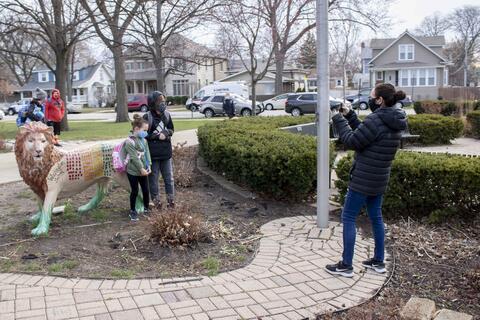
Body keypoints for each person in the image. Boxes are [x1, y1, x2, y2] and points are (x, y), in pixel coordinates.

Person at [325, 83, 407, 278]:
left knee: (348, 217)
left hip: (363, 178)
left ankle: (346, 265)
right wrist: (351, 116)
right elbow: (366, 135)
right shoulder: (396, 119)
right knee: (376, 217)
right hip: (379, 178)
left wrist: (337, 118)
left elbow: (353, 141)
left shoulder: (376, 119)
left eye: (372, 96)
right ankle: (378, 261)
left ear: (379, 100)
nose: (370, 99)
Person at [144, 91, 175, 209]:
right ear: (153, 103)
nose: (162, 103)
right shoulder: (148, 117)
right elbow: (143, 134)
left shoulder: (167, 115)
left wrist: (167, 133)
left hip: (166, 153)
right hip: (153, 155)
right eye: (159, 101)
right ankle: (156, 202)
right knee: (153, 179)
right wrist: (157, 136)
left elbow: (172, 129)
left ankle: (171, 201)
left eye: (163, 100)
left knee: (169, 178)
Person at [125, 114, 152, 221]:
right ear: (136, 129)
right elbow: (134, 158)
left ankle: (146, 208)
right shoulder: (129, 142)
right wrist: (141, 169)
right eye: (144, 130)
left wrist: (148, 165)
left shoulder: (144, 140)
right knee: (135, 191)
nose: (145, 133)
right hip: (133, 171)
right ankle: (132, 211)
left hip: (143, 170)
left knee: (146, 190)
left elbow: (147, 153)